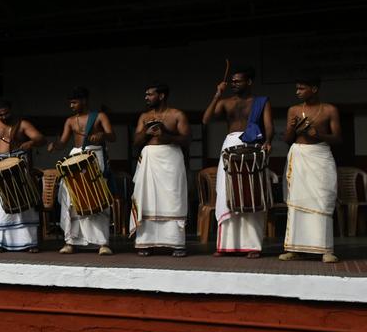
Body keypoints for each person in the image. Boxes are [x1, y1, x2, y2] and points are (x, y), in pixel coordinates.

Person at [202, 66, 273, 258]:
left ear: (249, 82)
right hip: (230, 146)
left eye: (238, 81)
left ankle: (253, 246)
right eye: (232, 81)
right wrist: (217, 94)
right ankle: (226, 245)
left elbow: (268, 126)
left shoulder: (261, 102)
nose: (233, 84)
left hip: (253, 146)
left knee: (251, 194)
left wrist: (268, 141)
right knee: (227, 193)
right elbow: (206, 119)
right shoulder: (225, 102)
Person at [47, 87, 115, 255]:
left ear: (84, 100)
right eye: (70, 103)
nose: (71, 106)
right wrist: (55, 145)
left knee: (96, 196)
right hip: (75, 157)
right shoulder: (70, 121)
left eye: (74, 102)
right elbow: (63, 142)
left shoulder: (99, 116)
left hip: (94, 157)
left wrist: (102, 135)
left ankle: (103, 243)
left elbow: (112, 136)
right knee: (71, 199)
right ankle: (71, 241)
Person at [280, 77, 341, 263]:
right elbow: (287, 139)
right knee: (296, 202)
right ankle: (294, 249)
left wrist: (318, 134)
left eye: (301, 88)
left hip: (320, 156)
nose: (297, 92)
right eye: (297, 88)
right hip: (299, 156)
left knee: (322, 201)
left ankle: (326, 250)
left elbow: (338, 138)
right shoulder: (293, 110)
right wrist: (292, 128)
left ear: (314, 89)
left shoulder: (330, 110)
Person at [130, 84, 191, 256]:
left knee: (173, 199)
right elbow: (136, 141)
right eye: (146, 94)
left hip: (171, 159)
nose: (146, 97)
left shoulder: (177, 115)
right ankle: (145, 243)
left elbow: (187, 140)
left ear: (162, 96)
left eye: (150, 94)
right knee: (146, 198)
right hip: (150, 159)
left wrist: (166, 135)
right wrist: (147, 132)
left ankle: (176, 244)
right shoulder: (144, 116)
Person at [0, 99, 45, 253]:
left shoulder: (22, 124)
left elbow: (40, 138)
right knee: (2, 206)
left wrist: (31, 143)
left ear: (11, 110)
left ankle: (31, 243)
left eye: (6, 113)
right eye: (0, 115)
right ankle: (2, 242)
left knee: (25, 204)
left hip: (19, 164)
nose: (4, 117)